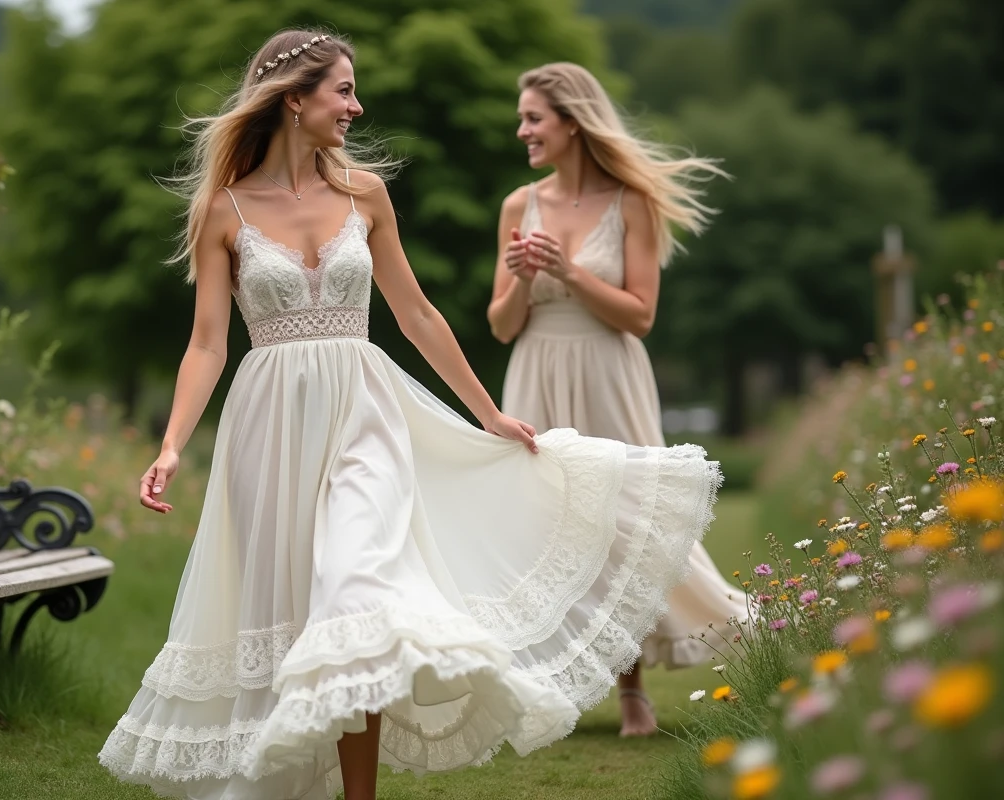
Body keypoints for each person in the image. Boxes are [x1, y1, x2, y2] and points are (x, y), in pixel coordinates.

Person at [98, 31, 721, 800]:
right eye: (343, 92)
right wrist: (168, 446)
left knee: (360, 595)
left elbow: (419, 315)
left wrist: (488, 413)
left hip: (365, 413)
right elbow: (205, 344)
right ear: (295, 99)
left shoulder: (366, 195)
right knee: (295, 610)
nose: (357, 107)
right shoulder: (221, 211)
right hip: (268, 428)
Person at [487, 62, 747, 738]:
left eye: (533, 118)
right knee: (546, 525)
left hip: (608, 368)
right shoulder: (520, 205)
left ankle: (633, 690)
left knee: (624, 522)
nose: (523, 130)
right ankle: (553, 686)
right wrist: (521, 279)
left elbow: (639, 315)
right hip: (536, 367)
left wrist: (566, 270)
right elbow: (501, 324)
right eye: (523, 118)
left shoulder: (631, 202)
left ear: (571, 121)